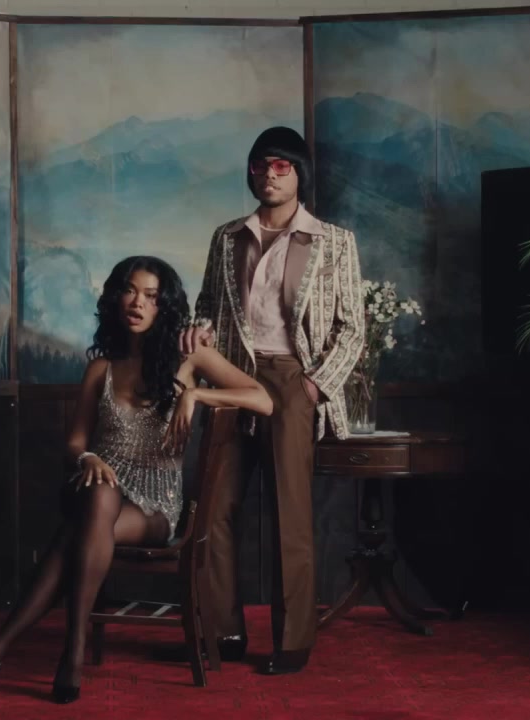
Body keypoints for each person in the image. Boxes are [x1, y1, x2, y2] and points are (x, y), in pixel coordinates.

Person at [0, 255, 274, 704]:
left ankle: (0, 651)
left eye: (151, 296)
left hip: (156, 507)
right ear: (116, 298)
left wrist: (195, 393)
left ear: (164, 306)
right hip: (99, 490)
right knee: (98, 498)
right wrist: (90, 458)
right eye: (130, 291)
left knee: (78, 531)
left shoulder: (189, 357)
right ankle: (70, 649)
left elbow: (263, 399)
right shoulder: (101, 368)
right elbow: (75, 442)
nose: (138, 302)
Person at [178, 126, 365, 676]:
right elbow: (208, 302)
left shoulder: (334, 241)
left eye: (282, 166)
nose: (270, 174)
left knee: (290, 513)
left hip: (292, 380)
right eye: (261, 165)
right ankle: (224, 632)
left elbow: (353, 328)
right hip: (231, 375)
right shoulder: (226, 237)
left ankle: (292, 643)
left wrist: (313, 386)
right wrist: (200, 329)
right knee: (214, 509)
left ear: (300, 173)